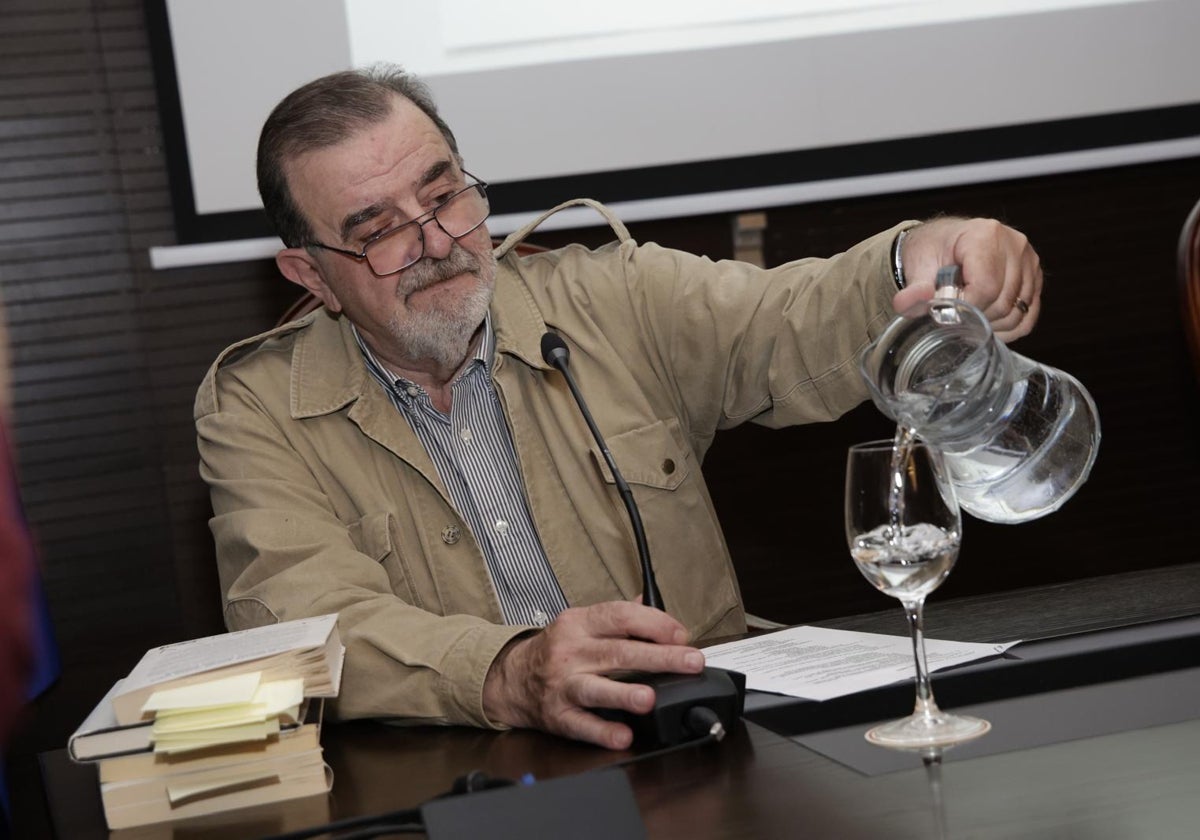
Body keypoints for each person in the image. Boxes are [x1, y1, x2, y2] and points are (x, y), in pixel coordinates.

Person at [196, 64, 1043, 751]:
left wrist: (913, 258)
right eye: (378, 229)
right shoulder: (257, 408)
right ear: (309, 274)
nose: (436, 241)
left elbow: (789, 320)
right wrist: (509, 672)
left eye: (444, 194)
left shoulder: (610, 298)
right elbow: (308, 622)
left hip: (695, 746)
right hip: (459, 779)